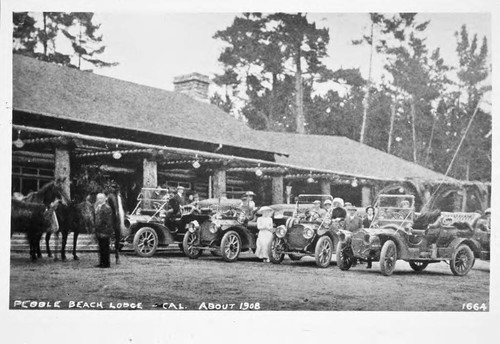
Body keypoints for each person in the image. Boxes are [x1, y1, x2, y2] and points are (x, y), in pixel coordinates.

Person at [94, 193, 113, 268]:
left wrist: (107, 230)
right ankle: (101, 262)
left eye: (101, 198)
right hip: (99, 230)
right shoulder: (98, 207)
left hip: (104, 231)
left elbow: (108, 221)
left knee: (105, 248)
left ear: (105, 199)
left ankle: (106, 263)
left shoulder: (107, 208)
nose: (99, 200)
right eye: (98, 198)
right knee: (101, 247)